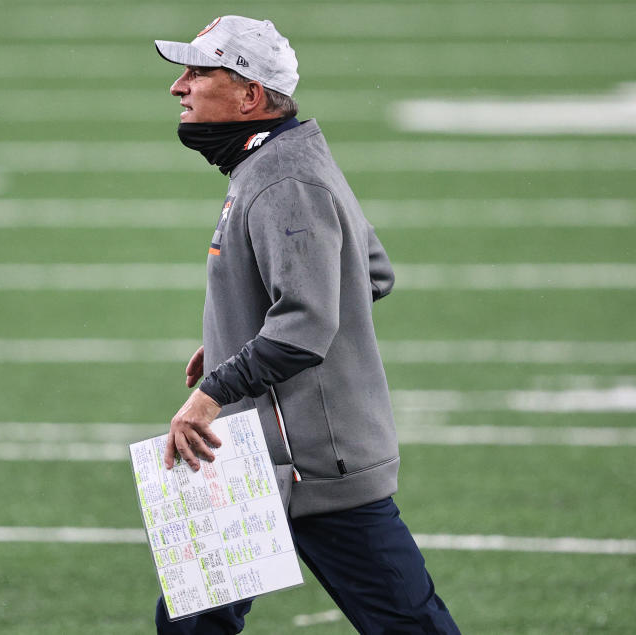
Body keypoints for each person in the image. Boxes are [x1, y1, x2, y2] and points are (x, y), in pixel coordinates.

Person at [152, 16, 461, 634]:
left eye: (198, 72)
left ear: (250, 94)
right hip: (257, 453)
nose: (178, 87)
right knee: (189, 624)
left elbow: (307, 318)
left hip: (307, 462)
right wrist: (237, 334)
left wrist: (212, 391)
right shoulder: (282, 158)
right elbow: (368, 274)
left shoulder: (283, 179)